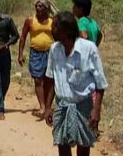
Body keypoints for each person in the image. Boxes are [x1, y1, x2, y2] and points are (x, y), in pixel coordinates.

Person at [43, 11, 108, 156]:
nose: (51, 30)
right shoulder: (55, 49)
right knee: (62, 143)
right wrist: (48, 107)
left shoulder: (89, 49)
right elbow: (52, 80)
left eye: (54, 27)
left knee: (83, 144)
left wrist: (96, 109)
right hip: (62, 104)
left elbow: (100, 83)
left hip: (83, 105)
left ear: (66, 31)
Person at [18, 0, 56, 118]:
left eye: (40, 6)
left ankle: (48, 105)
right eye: (36, 6)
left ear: (46, 8)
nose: (38, 8)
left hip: (50, 53)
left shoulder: (52, 21)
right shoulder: (30, 20)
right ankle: (42, 106)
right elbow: (23, 37)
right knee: (37, 79)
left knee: (49, 80)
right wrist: (20, 54)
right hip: (35, 53)